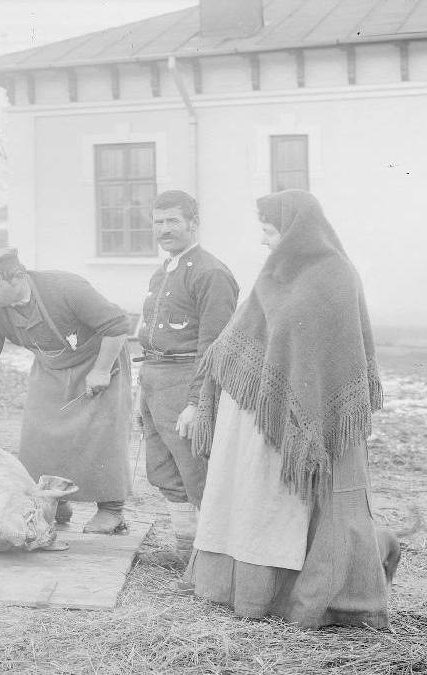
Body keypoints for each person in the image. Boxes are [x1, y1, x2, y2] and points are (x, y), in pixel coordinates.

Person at [176, 189, 397, 629]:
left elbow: (334, 353)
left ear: (296, 230)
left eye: (269, 230)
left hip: (309, 425)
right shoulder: (273, 274)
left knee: (307, 510)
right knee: (261, 505)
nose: (263, 240)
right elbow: (241, 338)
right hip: (262, 421)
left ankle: (315, 594)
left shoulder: (335, 275)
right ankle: (254, 591)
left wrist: (301, 409)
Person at [0, 248, 132, 534]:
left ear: (16, 277)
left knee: (100, 432)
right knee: (40, 433)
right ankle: (55, 501)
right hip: (50, 368)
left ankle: (111, 510)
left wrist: (102, 370)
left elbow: (117, 326)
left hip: (99, 360)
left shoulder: (66, 288)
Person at [137, 190, 239, 562]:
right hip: (154, 381)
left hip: (186, 381)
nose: (164, 229)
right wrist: (142, 391)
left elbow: (215, 345)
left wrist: (198, 402)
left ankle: (211, 562)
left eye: (173, 221)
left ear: (193, 224)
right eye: (159, 222)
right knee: (164, 471)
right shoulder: (162, 271)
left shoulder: (211, 273)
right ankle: (186, 553)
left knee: (197, 474)